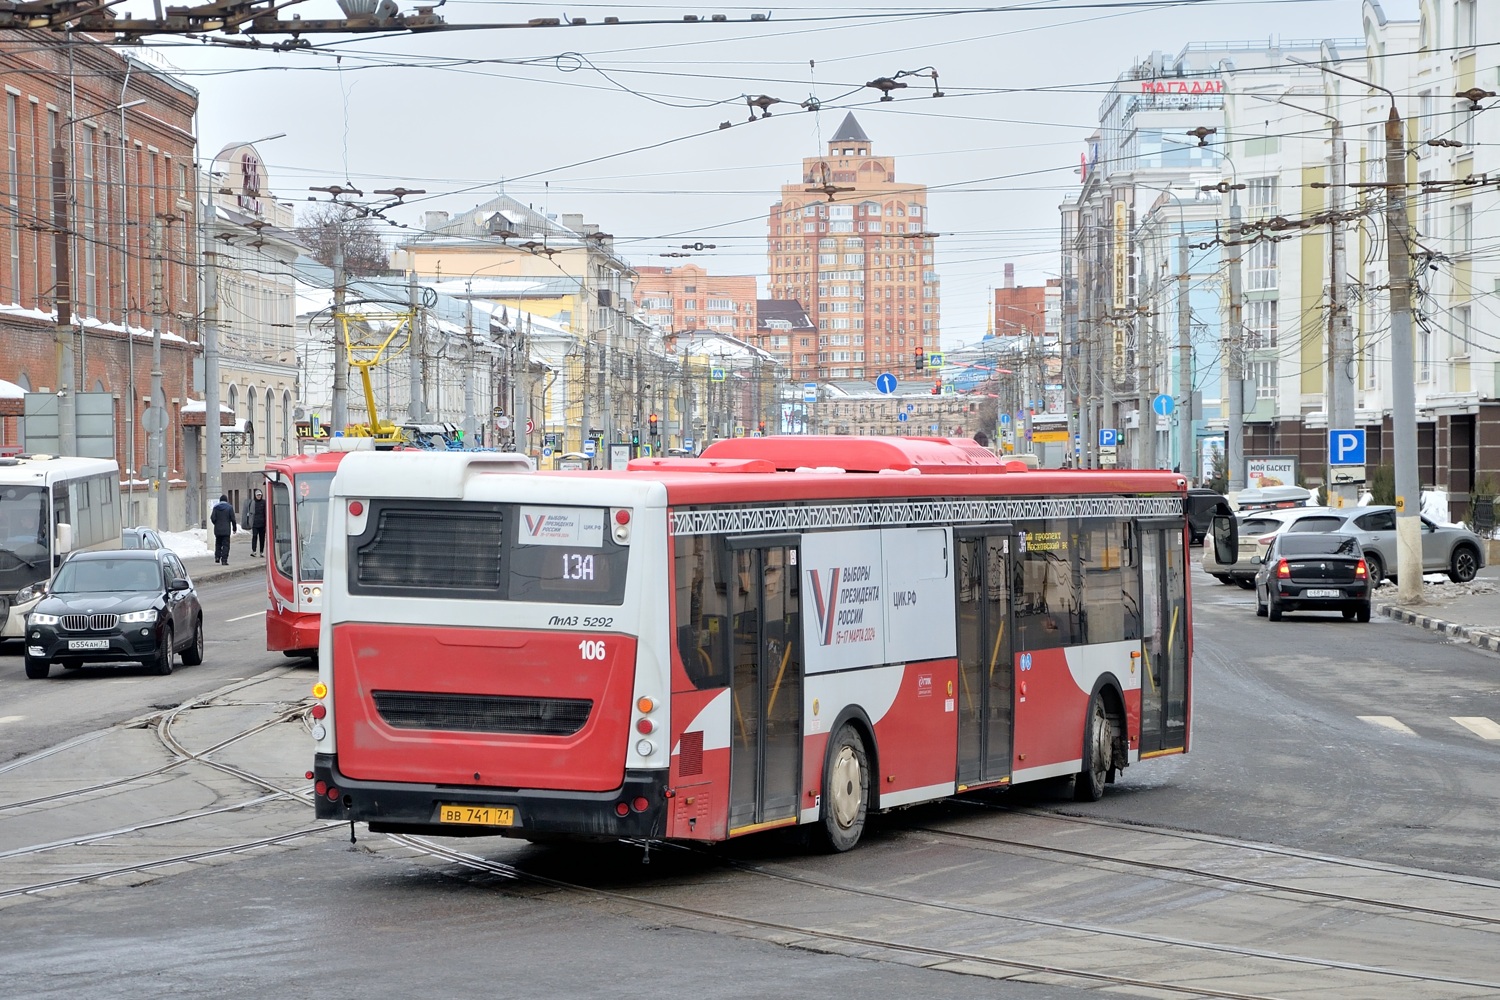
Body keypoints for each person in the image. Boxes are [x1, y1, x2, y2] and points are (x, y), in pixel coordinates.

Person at [210, 493, 237, 565]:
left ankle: (217, 557)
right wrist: (234, 528)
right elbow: (233, 519)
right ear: (226, 500)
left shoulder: (215, 507)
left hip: (217, 530)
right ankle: (224, 560)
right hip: (226, 530)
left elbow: (212, 518)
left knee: (218, 543)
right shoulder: (229, 508)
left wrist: (216, 523)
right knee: (226, 545)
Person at [245, 488, 267, 557]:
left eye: (260, 495)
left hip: (262, 523)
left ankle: (261, 551)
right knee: (254, 536)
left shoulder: (264, 502)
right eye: (257, 495)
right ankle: (253, 551)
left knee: (262, 538)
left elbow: (266, 512)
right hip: (254, 523)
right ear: (255, 496)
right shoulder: (253, 502)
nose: (259, 496)